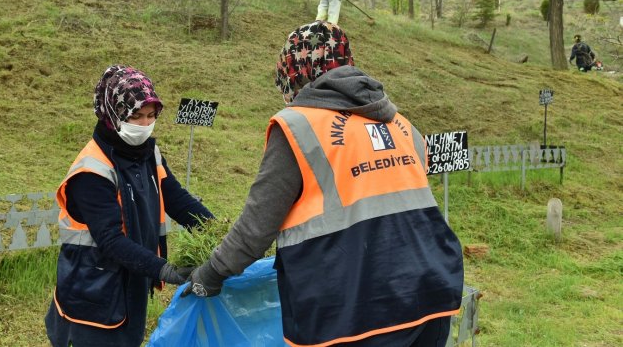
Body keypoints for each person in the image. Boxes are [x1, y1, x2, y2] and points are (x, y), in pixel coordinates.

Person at [182, 21, 465, 347]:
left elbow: (256, 227)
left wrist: (212, 273)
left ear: (298, 71)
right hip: (431, 294)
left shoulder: (298, 127)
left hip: (356, 313)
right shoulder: (401, 125)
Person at [45, 65, 214, 347]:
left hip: (132, 281)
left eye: (150, 116)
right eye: (135, 116)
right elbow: (110, 240)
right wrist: (165, 270)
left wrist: (217, 232)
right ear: (112, 115)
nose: (144, 125)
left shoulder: (148, 153)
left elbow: (175, 198)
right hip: (92, 293)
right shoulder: (92, 171)